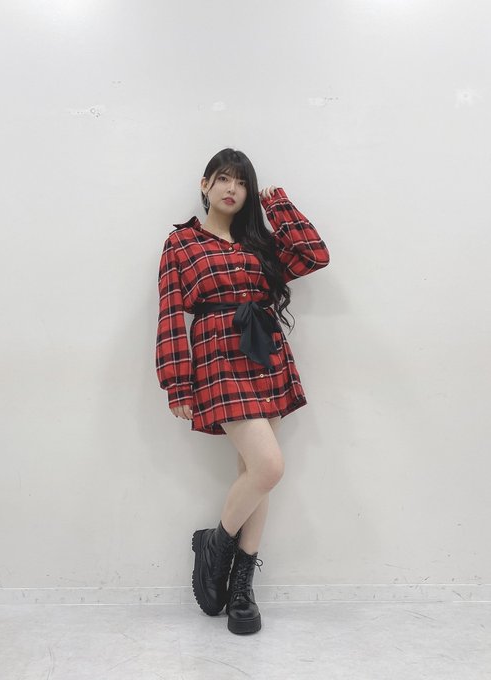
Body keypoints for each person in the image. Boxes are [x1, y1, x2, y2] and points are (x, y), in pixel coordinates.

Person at [155, 148, 330, 634]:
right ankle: (215, 545)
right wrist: (176, 381)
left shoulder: (258, 242)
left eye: (242, 182)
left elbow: (314, 255)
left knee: (256, 472)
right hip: (217, 356)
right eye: (224, 179)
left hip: (264, 352)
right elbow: (170, 313)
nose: (232, 189)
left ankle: (240, 588)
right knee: (269, 467)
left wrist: (278, 204)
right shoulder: (182, 243)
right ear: (206, 184)